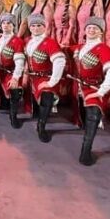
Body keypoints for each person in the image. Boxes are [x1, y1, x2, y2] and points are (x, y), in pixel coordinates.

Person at [67, 17, 110, 165]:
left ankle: (86, 150)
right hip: (79, 87)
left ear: (101, 32)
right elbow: (66, 49)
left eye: (95, 28)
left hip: (95, 88)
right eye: (89, 28)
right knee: (84, 118)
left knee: (93, 116)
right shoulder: (79, 47)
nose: (91, 30)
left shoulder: (104, 49)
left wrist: (103, 90)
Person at [23, 13, 66, 143]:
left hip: (45, 77)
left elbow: (59, 61)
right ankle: (35, 114)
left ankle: (41, 126)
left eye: (39, 26)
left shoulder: (50, 42)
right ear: (30, 28)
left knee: (47, 96)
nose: (36, 28)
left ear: (44, 27)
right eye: (33, 26)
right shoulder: (28, 41)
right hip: (31, 76)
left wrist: (52, 81)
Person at [0, 13, 26, 127]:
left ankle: (13, 116)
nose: (5, 25)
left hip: (12, 72)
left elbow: (20, 63)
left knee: (15, 89)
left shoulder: (17, 41)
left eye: (9, 23)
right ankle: (2, 104)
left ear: (13, 26)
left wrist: (15, 78)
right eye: (3, 23)